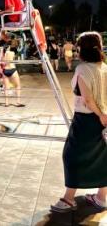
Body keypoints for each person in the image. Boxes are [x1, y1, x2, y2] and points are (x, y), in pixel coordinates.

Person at [51, 32, 107, 213]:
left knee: (71, 155)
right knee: (102, 156)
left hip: (87, 119)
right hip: (104, 118)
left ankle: (69, 198)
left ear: (83, 48)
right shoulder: (104, 67)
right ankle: (101, 197)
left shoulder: (83, 69)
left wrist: (99, 115)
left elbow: (88, 99)